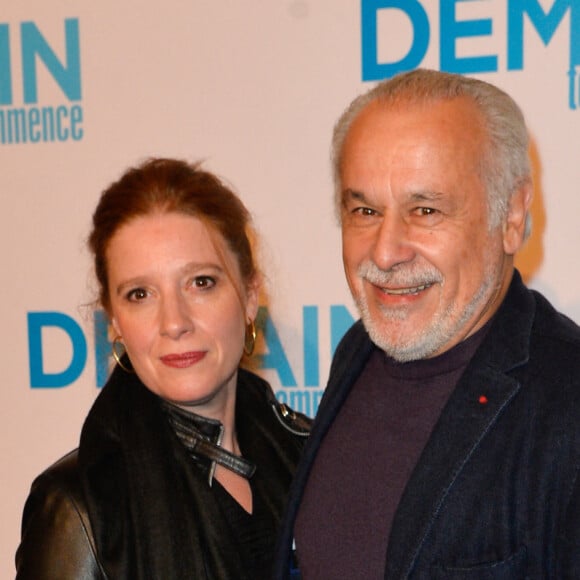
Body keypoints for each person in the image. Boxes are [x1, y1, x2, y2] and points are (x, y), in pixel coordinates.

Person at [273, 69, 580, 578]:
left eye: (426, 210)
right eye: (365, 210)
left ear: (511, 215)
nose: (386, 251)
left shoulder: (568, 400)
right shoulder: (357, 350)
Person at [16, 158, 310, 579]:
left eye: (201, 282)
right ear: (115, 320)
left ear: (248, 296)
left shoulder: (305, 458)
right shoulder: (77, 507)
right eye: (140, 294)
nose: (174, 322)